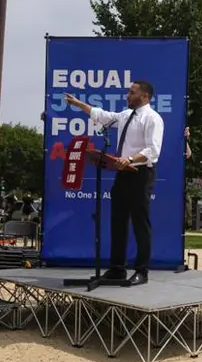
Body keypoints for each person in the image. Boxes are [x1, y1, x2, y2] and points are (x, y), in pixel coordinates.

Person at [64, 80, 165, 286]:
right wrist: (79, 104)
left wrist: (130, 159)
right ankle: (117, 269)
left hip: (141, 173)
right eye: (129, 92)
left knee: (140, 222)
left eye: (132, 92)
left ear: (145, 96)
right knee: (118, 221)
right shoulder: (126, 115)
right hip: (122, 173)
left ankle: (142, 271)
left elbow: (153, 150)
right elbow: (103, 116)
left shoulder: (153, 118)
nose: (128, 95)